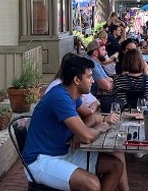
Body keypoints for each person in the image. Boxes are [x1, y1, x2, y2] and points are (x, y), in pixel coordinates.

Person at [22, 55, 125, 191]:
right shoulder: (60, 97)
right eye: (89, 77)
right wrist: (98, 128)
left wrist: (80, 130)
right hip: (40, 159)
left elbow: (91, 115)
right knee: (92, 185)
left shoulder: (70, 94)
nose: (93, 81)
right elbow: (87, 136)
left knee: (115, 166)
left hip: (62, 152)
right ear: (77, 80)